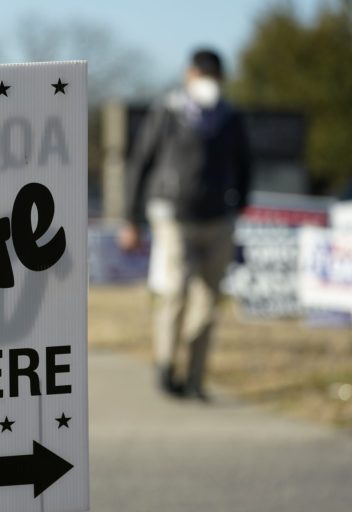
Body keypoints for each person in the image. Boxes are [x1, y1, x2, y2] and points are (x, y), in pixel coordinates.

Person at [119, 48, 251, 400]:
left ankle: (195, 378)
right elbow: (140, 163)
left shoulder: (230, 117)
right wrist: (130, 219)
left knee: (208, 302)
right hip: (173, 215)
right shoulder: (168, 111)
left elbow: (244, 165)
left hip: (218, 219)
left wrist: (237, 205)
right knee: (175, 290)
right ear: (188, 74)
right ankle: (165, 365)